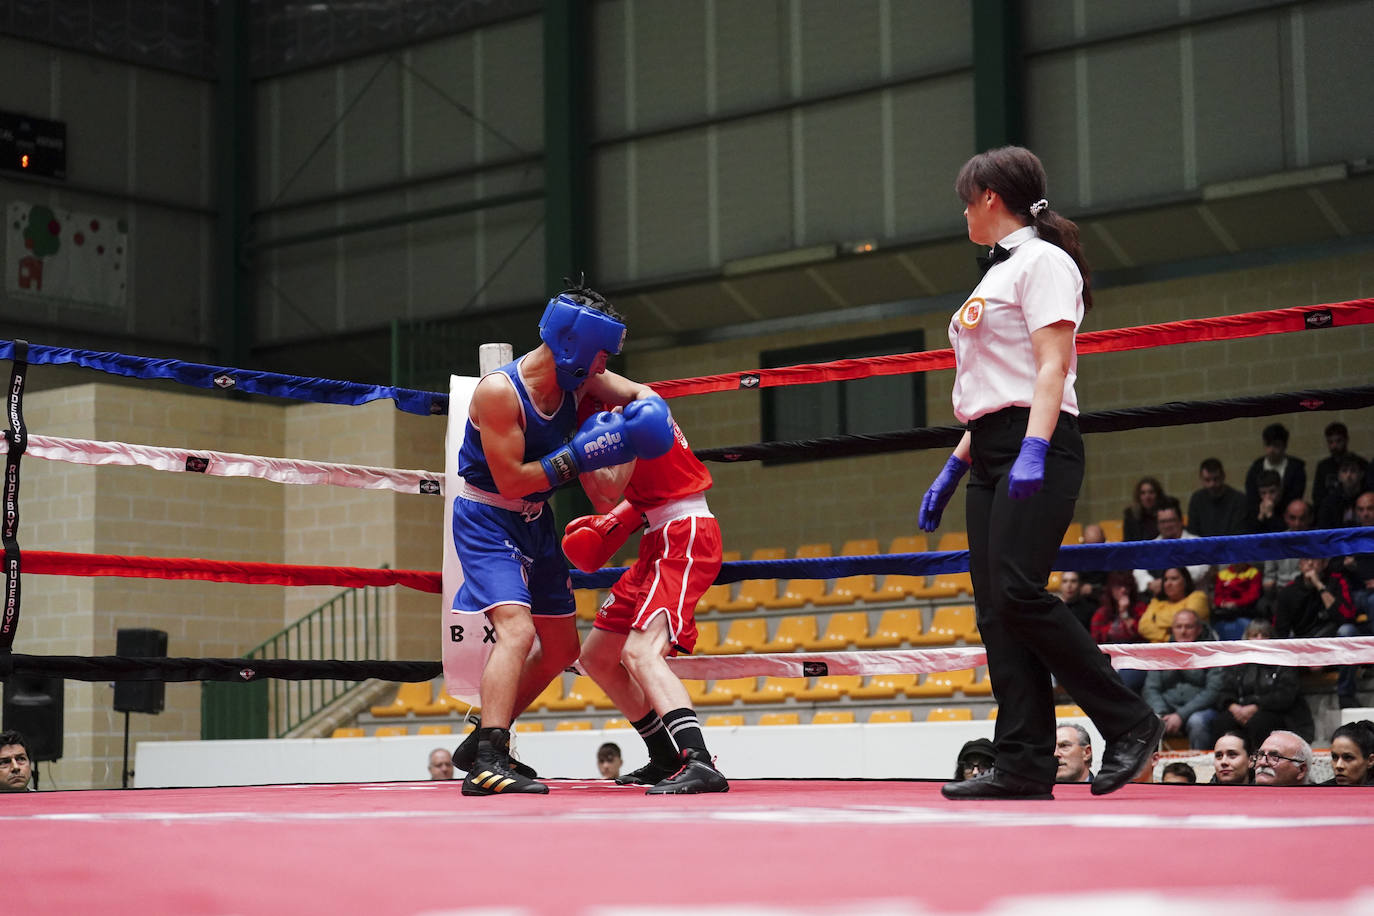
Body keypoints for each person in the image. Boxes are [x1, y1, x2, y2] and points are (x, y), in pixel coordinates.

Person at [920, 145, 1161, 801]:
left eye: (966, 201)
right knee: (996, 612)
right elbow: (995, 385)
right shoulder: (996, 274)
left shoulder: (1044, 262)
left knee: (1018, 591)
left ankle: (1130, 720)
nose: (963, 213)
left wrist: (1034, 446)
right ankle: (1024, 763)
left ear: (990, 198)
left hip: (1038, 440)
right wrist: (953, 467)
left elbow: (1053, 367)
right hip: (989, 446)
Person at [448, 282, 676, 796]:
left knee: (560, 648)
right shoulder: (499, 393)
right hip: (488, 517)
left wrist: (646, 418)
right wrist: (579, 455)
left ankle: (479, 741)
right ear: (575, 344)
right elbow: (511, 481)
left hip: (536, 522)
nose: (604, 365)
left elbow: (640, 394)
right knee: (516, 631)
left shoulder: (579, 379)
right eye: (601, 354)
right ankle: (488, 760)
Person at [571, 395, 728, 795]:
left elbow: (609, 486)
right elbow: (604, 498)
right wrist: (582, 450)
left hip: (684, 533)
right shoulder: (588, 424)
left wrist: (603, 443)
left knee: (641, 652)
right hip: (654, 540)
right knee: (597, 657)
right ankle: (664, 756)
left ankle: (699, 761)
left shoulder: (630, 409)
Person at [1207, 619, 1314, 749]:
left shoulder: (1283, 662)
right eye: (1254, 635)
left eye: (1264, 635)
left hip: (1278, 713)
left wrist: (1255, 706)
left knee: (1259, 722)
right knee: (1222, 722)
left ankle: (1260, 758)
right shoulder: (1237, 662)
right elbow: (1224, 691)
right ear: (1247, 638)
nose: (1259, 639)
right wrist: (1233, 707)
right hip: (1240, 710)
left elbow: (1285, 695)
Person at [1273, 556, 1361, 707]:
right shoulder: (1288, 591)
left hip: (1333, 648)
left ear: (1325, 563)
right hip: (1304, 648)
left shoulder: (1337, 581)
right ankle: (1287, 703)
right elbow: (1280, 632)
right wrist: (1309, 656)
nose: (1310, 563)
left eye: (1314, 559)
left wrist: (1319, 586)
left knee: (1348, 631)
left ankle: (1346, 695)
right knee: (1282, 647)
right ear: (1299, 564)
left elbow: (1346, 617)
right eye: (1305, 560)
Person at [1142, 610, 1223, 749]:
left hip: (1200, 711)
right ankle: (1148, 763)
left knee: (1197, 722)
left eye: (1188, 627)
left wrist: (1181, 715)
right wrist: (1162, 713)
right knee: (1145, 721)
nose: (1183, 631)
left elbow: (1213, 691)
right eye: (1178, 627)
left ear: (1199, 629)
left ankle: (1200, 763)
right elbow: (1151, 688)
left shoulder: (1210, 653)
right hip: (1165, 710)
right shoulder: (1162, 654)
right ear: (1172, 629)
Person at [1132, 502, 1209, 599]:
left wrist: (1165, 583)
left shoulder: (1197, 542)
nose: (1167, 525)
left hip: (1192, 600)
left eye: (1171, 520)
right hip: (1160, 602)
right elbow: (1138, 570)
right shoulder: (1151, 545)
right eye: (1163, 522)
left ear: (1181, 521)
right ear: (1157, 524)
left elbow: (1198, 571)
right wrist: (1149, 582)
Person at [1257, 498, 1313, 621]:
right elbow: (1269, 575)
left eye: (1302, 518)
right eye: (1293, 518)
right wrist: (1268, 585)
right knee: (1262, 604)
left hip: (1306, 593)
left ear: (1310, 518)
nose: (1297, 524)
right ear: (1286, 518)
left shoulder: (1316, 542)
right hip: (1279, 592)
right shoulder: (1276, 541)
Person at [1245, 423, 1306, 515]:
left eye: (1276, 445)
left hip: (1288, 515)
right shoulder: (1256, 468)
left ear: (1284, 446)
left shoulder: (1296, 468)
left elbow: (1296, 496)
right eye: (1268, 445)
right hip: (1261, 513)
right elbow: (1251, 496)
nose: (1271, 450)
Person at [1138, 567, 1211, 643]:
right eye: (1165, 580)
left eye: (1174, 579)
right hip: (1158, 649)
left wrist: (1157, 619)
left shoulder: (1198, 597)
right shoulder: (1156, 602)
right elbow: (1143, 627)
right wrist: (1169, 637)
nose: (1168, 584)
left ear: (1185, 581)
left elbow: (1188, 620)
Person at [1187, 458, 1248, 538]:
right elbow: (1193, 532)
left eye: (1216, 479)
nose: (1212, 484)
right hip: (1204, 545)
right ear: (1201, 479)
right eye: (1207, 480)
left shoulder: (1238, 499)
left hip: (1231, 544)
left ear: (1223, 476)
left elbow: (1239, 532)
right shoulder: (1196, 499)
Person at [1313, 421, 1366, 502]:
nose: (1334, 446)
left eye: (1338, 441)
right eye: (1330, 442)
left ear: (1346, 440)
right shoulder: (1323, 466)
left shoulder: (1360, 463)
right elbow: (1317, 496)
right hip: (1330, 507)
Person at [1210, 561, 1262, 641]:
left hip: (1245, 610)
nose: (1237, 564)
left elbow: (1253, 595)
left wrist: (1236, 603)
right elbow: (1217, 596)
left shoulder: (1253, 573)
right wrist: (1222, 603)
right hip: (1224, 611)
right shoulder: (1222, 574)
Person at [1316, 456, 1366, 529]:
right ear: (1339, 475)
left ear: (1361, 474)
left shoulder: (1370, 499)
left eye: (1353, 471)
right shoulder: (1329, 502)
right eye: (1344, 471)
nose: (1348, 475)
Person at [1321, 720, 1374, 786]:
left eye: (1348, 757)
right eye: (1334, 757)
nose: (1338, 765)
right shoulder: (1321, 790)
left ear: (1370, 760)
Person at [1123, 476, 1167, 542]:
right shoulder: (1130, 516)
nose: (1147, 497)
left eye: (1151, 492)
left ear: (1158, 495)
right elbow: (1128, 541)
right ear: (1138, 496)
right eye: (1143, 493)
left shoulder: (1166, 514)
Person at [1244, 469, 1287, 535]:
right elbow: (1250, 536)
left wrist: (1270, 515)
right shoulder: (1253, 509)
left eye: (1272, 491)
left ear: (1280, 489)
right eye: (1263, 493)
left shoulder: (1287, 508)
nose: (1268, 497)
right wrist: (1260, 516)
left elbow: (1282, 535)